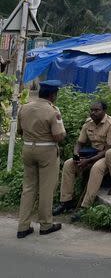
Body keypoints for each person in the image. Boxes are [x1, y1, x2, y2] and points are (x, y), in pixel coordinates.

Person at [16, 80, 66, 238]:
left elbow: (19, 131)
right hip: (47, 150)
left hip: (27, 148)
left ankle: (23, 226)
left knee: (28, 188)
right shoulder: (53, 111)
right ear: (53, 95)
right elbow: (58, 136)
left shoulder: (24, 107)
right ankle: (45, 224)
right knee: (46, 189)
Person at [53, 101, 111, 215]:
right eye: (92, 110)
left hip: (107, 155)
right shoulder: (88, 123)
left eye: (97, 110)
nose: (93, 113)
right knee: (69, 164)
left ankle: (85, 206)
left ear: (104, 111)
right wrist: (76, 156)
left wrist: (88, 161)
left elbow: (108, 149)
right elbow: (79, 143)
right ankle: (66, 202)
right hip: (91, 154)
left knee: (96, 168)